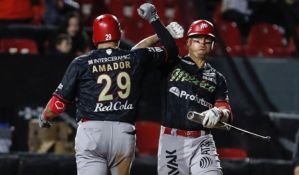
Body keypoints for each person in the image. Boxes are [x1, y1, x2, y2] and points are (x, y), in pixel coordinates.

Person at [38, 3, 183, 175]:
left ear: (94, 37)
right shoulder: (134, 58)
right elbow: (171, 50)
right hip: (123, 133)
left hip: (92, 132)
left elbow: (58, 104)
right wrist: (157, 24)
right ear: (119, 34)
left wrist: (45, 116)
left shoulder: (81, 63)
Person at [134, 18, 233, 175]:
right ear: (187, 42)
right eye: (197, 39)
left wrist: (218, 112)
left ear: (213, 45)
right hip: (171, 140)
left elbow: (226, 112)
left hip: (202, 140)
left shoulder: (218, 78)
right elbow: (135, 55)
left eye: (207, 40)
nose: (202, 43)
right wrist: (159, 35)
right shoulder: (171, 63)